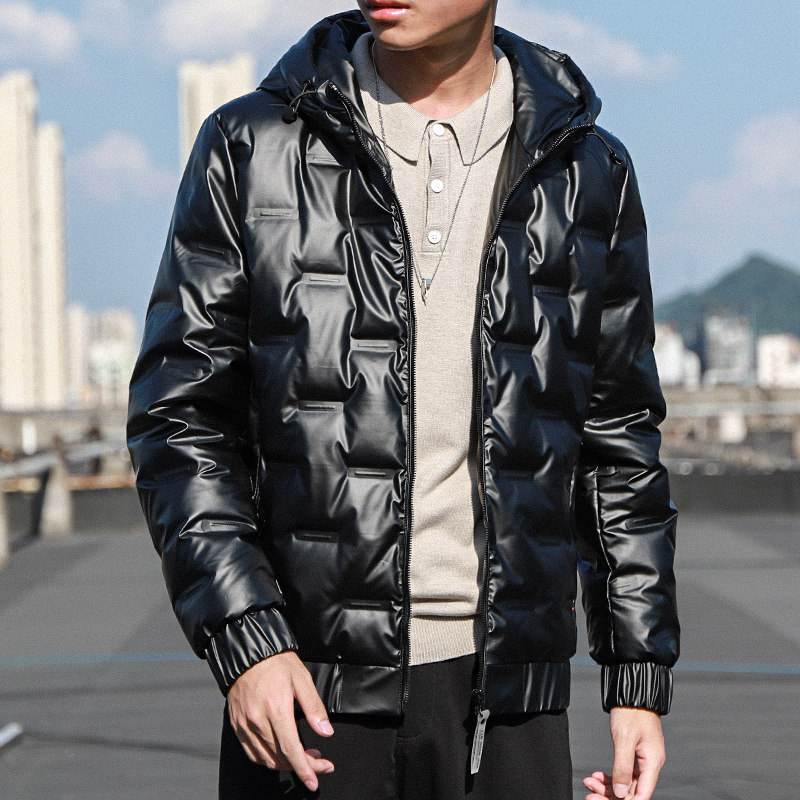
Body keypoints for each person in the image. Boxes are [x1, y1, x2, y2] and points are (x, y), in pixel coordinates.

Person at [127, 3, 679, 799]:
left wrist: (636, 676)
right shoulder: (251, 145)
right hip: (307, 695)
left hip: (510, 703)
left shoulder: (587, 168)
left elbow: (618, 438)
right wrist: (247, 639)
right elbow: (179, 418)